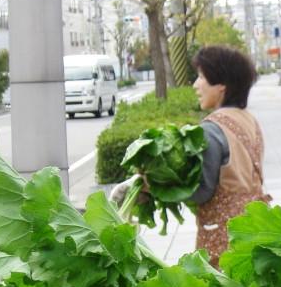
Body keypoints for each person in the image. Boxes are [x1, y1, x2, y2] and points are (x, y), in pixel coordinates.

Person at [114, 45, 270, 268]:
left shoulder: (212, 129)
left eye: (201, 77)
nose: (196, 85)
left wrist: (152, 186)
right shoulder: (249, 121)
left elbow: (202, 192)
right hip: (256, 230)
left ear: (222, 85)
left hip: (224, 240)